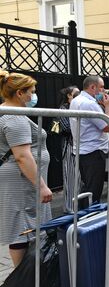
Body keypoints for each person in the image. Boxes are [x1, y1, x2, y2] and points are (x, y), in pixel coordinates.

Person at [0, 71, 52, 267]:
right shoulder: (14, 118)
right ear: (20, 93)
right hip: (20, 180)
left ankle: (26, 277)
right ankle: (22, 280)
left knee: (23, 225)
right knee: (20, 228)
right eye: (32, 91)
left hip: (20, 178)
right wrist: (41, 186)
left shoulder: (8, 112)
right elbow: (22, 156)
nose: (34, 95)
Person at [70, 75, 109, 205]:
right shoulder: (89, 104)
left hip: (83, 150)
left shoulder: (77, 100)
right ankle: (90, 218)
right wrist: (108, 106)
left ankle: (84, 217)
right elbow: (107, 126)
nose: (104, 91)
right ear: (93, 87)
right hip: (93, 152)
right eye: (102, 87)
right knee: (94, 190)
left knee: (88, 188)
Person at [58, 86, 80, 212]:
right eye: (75, 93)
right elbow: (67, 128)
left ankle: (79, 206)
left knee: (79, 179)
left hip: (79, 146)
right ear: (69, 96)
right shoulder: (63, 109)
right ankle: (70, 208)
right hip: (70, 146)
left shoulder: (78, 107)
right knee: (71, 179)